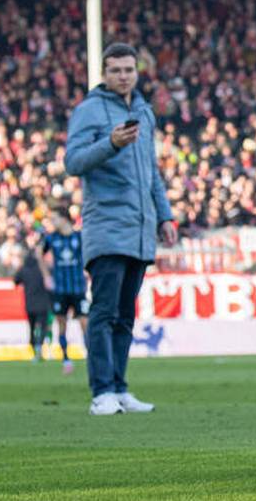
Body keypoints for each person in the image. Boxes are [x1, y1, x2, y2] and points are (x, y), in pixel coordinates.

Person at [64, 42, 176, 416]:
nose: (123, 76)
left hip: (140, 228)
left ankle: (120, 387)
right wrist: (110, 143)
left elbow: (151, 172)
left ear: (136, 72)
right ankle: (102, 392)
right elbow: (73, 162)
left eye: (128, 70)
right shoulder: (89, 110)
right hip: (107, 225)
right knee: (105, 311)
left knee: (125, 314)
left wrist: (165, 215)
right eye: (116, 70)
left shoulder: (144, 110)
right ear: (104, 74)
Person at [42, 208, 88, 375]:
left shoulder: (79, 236)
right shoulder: (51, 238)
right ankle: (66, 358)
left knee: (84, 322)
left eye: (54, 219)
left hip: (78, 287)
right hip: (60, 289)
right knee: (61, 323)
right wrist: (47, 275)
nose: (52, 223)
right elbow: (39, 254)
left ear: (64, 219)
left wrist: (88, 271)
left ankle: (90, 357)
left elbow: (89, 254)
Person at [13, 249, 52, 362]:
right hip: (43, 304)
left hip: (29, 304)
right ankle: (39, 346)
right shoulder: (43, 269)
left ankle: (34, 348)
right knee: (43, 327)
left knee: (32, 328)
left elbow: (15, 281)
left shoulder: (24, 269)